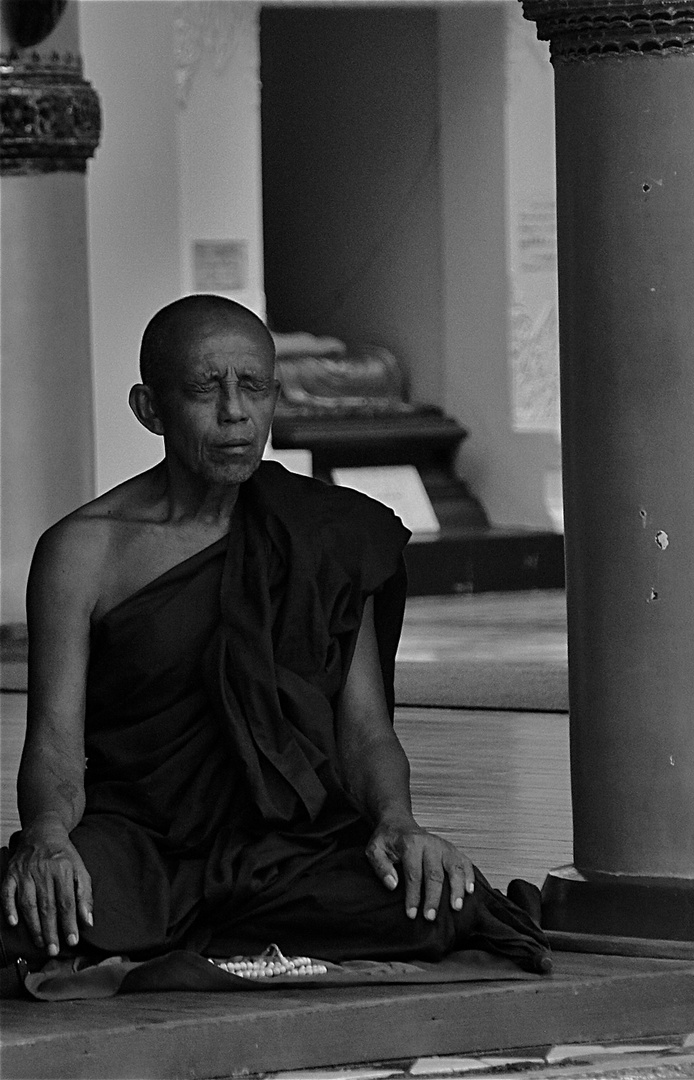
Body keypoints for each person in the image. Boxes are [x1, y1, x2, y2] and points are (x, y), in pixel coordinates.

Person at [0, 295, 549, 981]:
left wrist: (397, 822)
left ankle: (196, 935)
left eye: (253, 387)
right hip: (138, 844)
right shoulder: (82, 553)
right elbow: (55, 741)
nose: (235, 412)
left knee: (446, 907)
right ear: (149, 409)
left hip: (286, 849)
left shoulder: (324, 535)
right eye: (206, 388)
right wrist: (49, 838)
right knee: (23, 918)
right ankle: (211, 935)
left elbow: (365, 733)